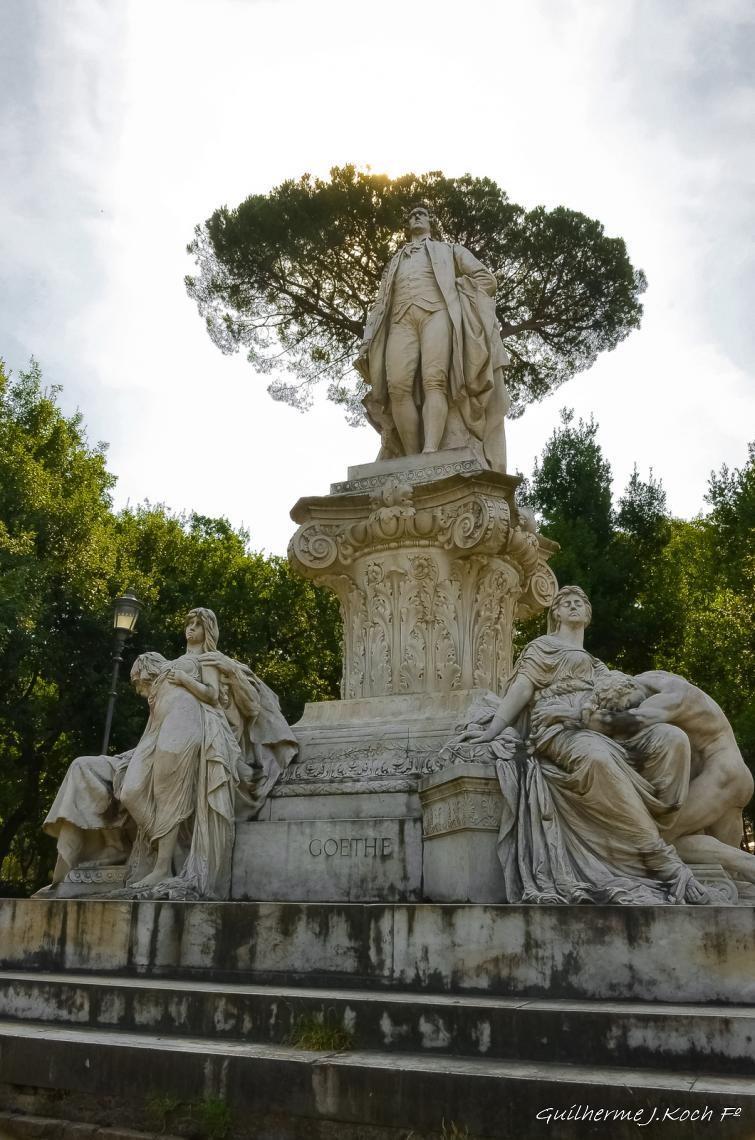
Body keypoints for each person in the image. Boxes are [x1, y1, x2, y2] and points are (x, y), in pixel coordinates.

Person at [460, 586, 710, 904]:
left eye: (580, 603)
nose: (575, 606)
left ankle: (645, 836)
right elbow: (522, 690)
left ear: (588, 616)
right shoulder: (544, 647)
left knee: (672, 739)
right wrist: (494, 729)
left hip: (598, 725)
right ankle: (656, 856)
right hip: (558, 729)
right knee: (598, 760)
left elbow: (624, 701)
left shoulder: (597, 665)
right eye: (567, 603)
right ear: (557, 614)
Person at [119, 607, 297, 899]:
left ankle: (163, 866)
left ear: (208, 630)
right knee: (131, 790)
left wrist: (185, 680)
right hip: (156, 728)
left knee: (169, 793)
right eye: (188, 623)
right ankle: (168, 843)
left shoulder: (210, 660)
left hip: (187, 724)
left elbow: (212, 695)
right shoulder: (174, 661)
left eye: (197, 625)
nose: (190, 629)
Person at [355, 205, 510, 472]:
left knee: (434, 381)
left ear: (431, 222)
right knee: (397, 387)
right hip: (400, 321)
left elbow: (486, 279)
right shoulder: (394, 262)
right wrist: (368, 339)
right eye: (412, 214)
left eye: (422, 214)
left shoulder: (449, 250)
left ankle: (431, 450)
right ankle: (412, 458)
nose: (416, 216)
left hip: (437, 314)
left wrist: (463, 297)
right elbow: (380, 305)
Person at [592, 669, 755, 885]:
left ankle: (749, 864)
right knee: (731, 878)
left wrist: (587, 719)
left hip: (720, 777)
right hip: (732, 776)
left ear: (628, 688)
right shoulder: (657, 679)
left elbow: (629, 721)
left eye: (629, 703)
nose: (634, 707)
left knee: (658, 842)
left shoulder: (673, 696)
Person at [41, 651, 167, 887]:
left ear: (152, 676)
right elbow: (149, 742)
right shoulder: (157, 702)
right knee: (82, 766)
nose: (139, 691)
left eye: (140, 683)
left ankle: (116, 847)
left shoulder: (174, 697)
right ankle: (113, 846)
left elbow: (171, 744)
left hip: (154, 767)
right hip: (138, 759)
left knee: (89, 769)